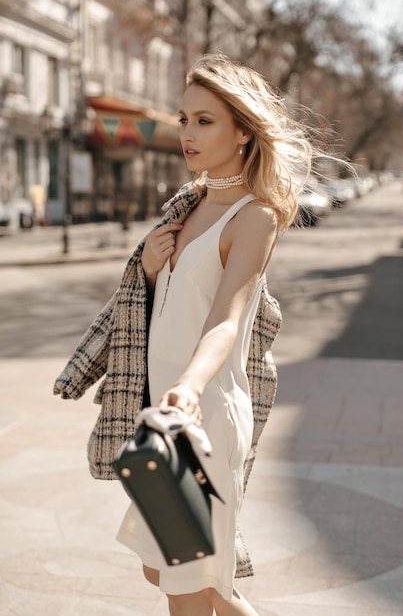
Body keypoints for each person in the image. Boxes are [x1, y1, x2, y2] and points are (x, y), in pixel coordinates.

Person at [54, 53, 313, 615]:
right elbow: (161, 307)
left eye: (205, 120)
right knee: (180, 572)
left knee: (187, 592)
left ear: (243, 131)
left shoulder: (255, 217)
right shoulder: (188, 203)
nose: (187, 134)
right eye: (183, 119)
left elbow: (226, 319)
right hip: (165, 412)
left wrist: (190, 388)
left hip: (205, 413)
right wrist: (146, 271)